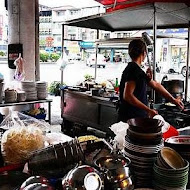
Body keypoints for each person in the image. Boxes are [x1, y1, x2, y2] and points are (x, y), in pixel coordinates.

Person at [118, 39, 184, 122]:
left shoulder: (137, 70)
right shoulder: (133, 70)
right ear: (144, 53)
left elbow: (155, 85)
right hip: (132, 119)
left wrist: (173, 100)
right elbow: (127, 96)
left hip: (135, 117)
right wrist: (148, 110)